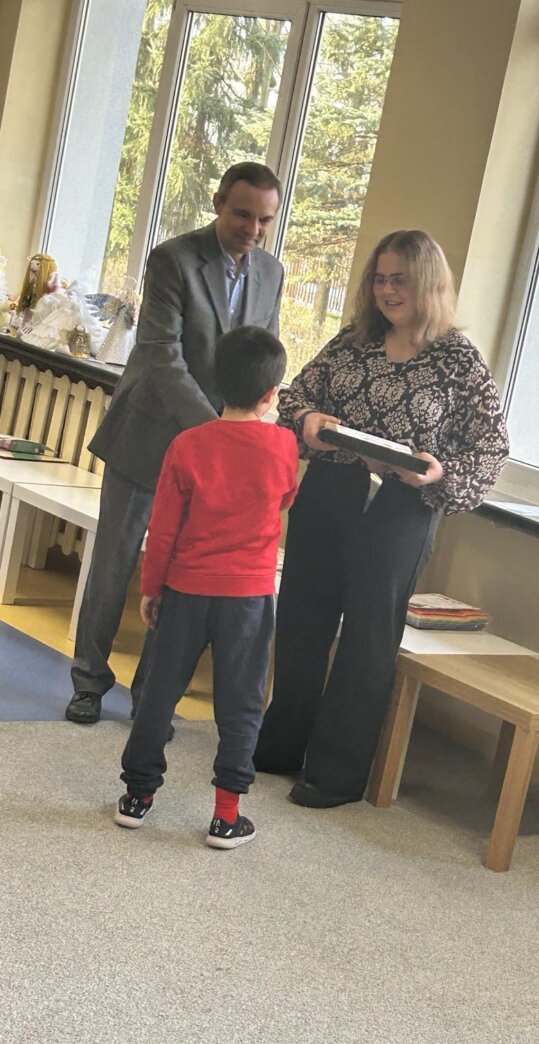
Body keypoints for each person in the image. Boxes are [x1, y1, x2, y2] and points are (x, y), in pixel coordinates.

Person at [252, 229, 509, 808]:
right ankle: (280, 745)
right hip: (331, 491)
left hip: (401, 508)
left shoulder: (458, 359)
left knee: (368, 639)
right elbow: (294, 397)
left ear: (428, 284)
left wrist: (438, 474)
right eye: (380, 278)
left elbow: (491, 449)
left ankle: (336, 773)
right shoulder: (353, 341)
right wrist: (309, 420)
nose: (388, 291)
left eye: (401, 280)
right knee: (302, 621)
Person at [66, 161, 285, 726]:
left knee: (178, 575)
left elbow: (259, 353)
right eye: (242, 215)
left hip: (215, 450)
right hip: (149, 434)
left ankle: (151, 694)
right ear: (218, 204)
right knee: (115, 564)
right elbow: (163, 355)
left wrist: (247, 424)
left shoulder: (272, 272)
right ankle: (88, 681)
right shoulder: (174, 259)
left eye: (264, 220)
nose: (253, 230)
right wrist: (216, 431)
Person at [114, 325, 298, 848]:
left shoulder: (187, 444)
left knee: (158, 693)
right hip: (249, 595)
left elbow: (163, 527)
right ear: (271, 394)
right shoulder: (283, 445)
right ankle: (226, 815)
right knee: (241, 703)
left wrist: (152, 588)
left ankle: (137, 797)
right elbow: (285, 498)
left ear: (216, 381)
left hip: (186, 589)